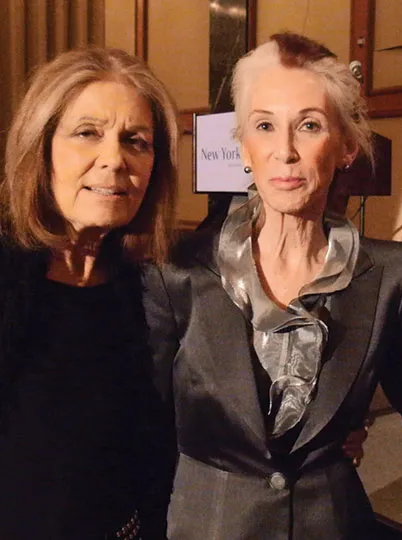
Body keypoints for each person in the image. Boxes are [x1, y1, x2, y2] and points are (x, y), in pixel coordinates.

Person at [144, 32, 402, 539]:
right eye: (265, 126)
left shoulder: (388, 272)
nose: (284, 152)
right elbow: (139, 421)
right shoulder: (177, 270)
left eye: (309, 126)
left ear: (346, 146)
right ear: (244, 146)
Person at [0, 48, 179, 539]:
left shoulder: (156, 290)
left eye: (135, 141)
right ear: (41, 148)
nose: (114, 159)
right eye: (87, 133)